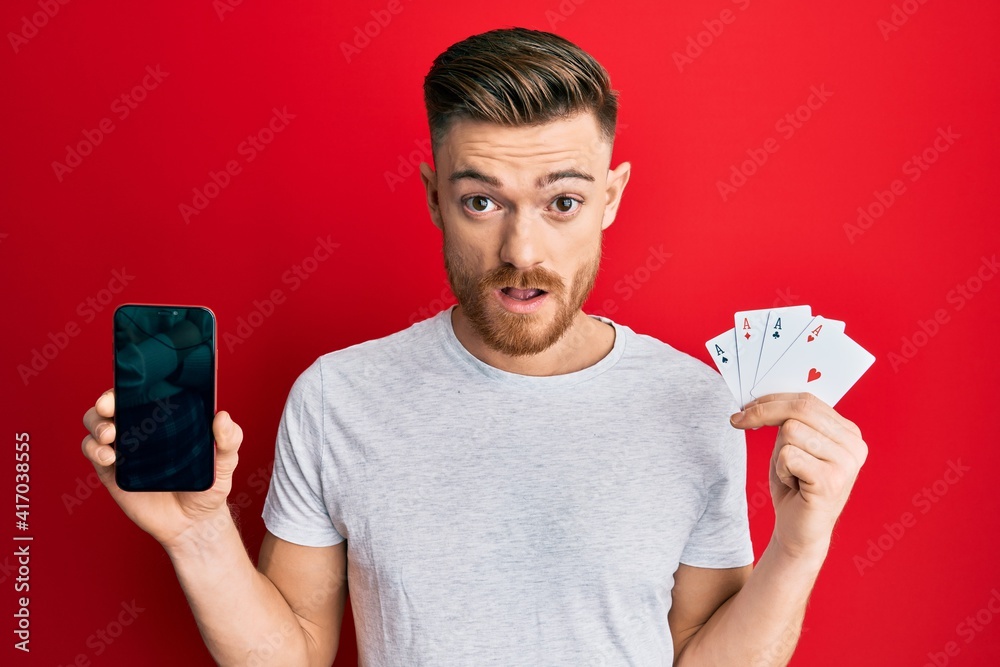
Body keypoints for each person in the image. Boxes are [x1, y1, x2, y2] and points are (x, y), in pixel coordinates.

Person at [81, 27, 867, 666]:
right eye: (482, 200)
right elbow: (293, 656)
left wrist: (799, 546)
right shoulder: (338, 396)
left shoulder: (700, 404)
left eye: (563, 200)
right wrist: (198, 535)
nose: (522, 248)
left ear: (612, 198)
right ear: (433, 198)